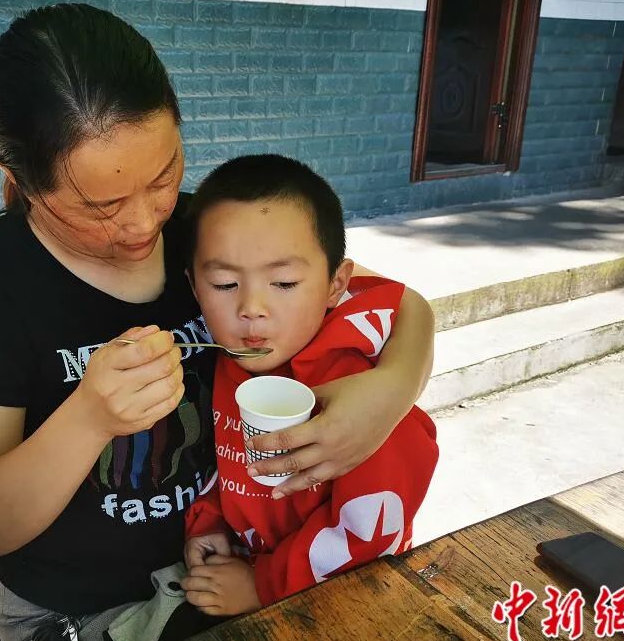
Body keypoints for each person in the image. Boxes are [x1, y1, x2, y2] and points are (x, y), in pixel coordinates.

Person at [0, 4, 435, 641]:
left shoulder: (210, 231)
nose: (141, 223)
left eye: (162, 177)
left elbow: (397, 303)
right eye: (99, 206)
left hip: (239, 551)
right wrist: (88, 417)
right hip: (79, 613)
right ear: (22, 178)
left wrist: (388, 391)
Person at [179, 155, 439, 615]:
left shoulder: (359, 388)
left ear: (336, 284)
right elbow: (231, 459)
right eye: (223, 284)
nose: (251, 307)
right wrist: (211, 522)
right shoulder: (232, 358)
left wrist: (264, 585)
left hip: (346, 606)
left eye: (283, 282)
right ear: (194, 287)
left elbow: (372, 531)